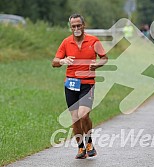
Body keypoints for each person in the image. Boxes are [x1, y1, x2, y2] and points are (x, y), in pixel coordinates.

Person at [52, 14, 108, 159]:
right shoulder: (66, 42)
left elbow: (104, 58)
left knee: (84, 115)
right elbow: (54, 62)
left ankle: (89, 142)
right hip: (71, 84)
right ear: (70, 27)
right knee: (75, 118)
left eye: (78, 25)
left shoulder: (93, 41)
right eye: (73, 26)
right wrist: (63, 61)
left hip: (87, 83)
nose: (76, 28)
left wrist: (97, 65)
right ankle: (81, 148)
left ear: (84, 25)